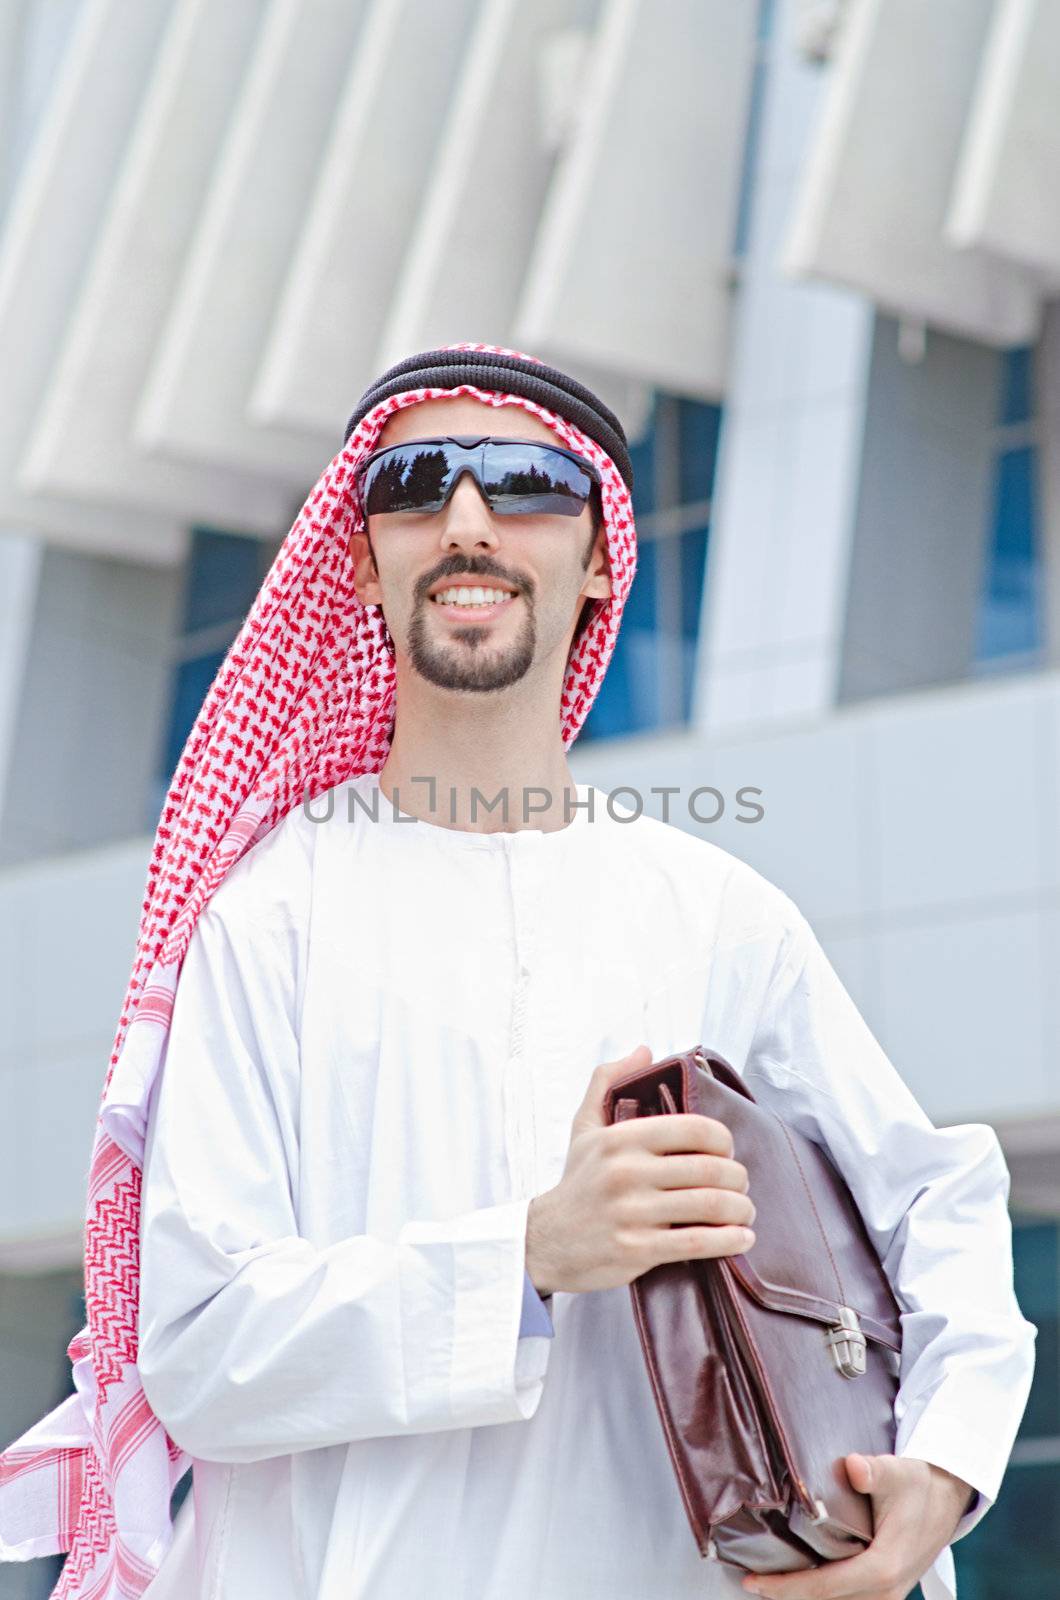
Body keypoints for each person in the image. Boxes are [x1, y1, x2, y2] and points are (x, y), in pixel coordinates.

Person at [0, 345, 1035, 1600]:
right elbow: (198, 1349)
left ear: (599, 557)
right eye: (419, 483)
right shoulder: (267, 916)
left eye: (529, 484)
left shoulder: (709, 910)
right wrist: (533, 1252)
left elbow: (937, 1203)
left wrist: (947, 1455)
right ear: (365, 557)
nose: (469, 521)